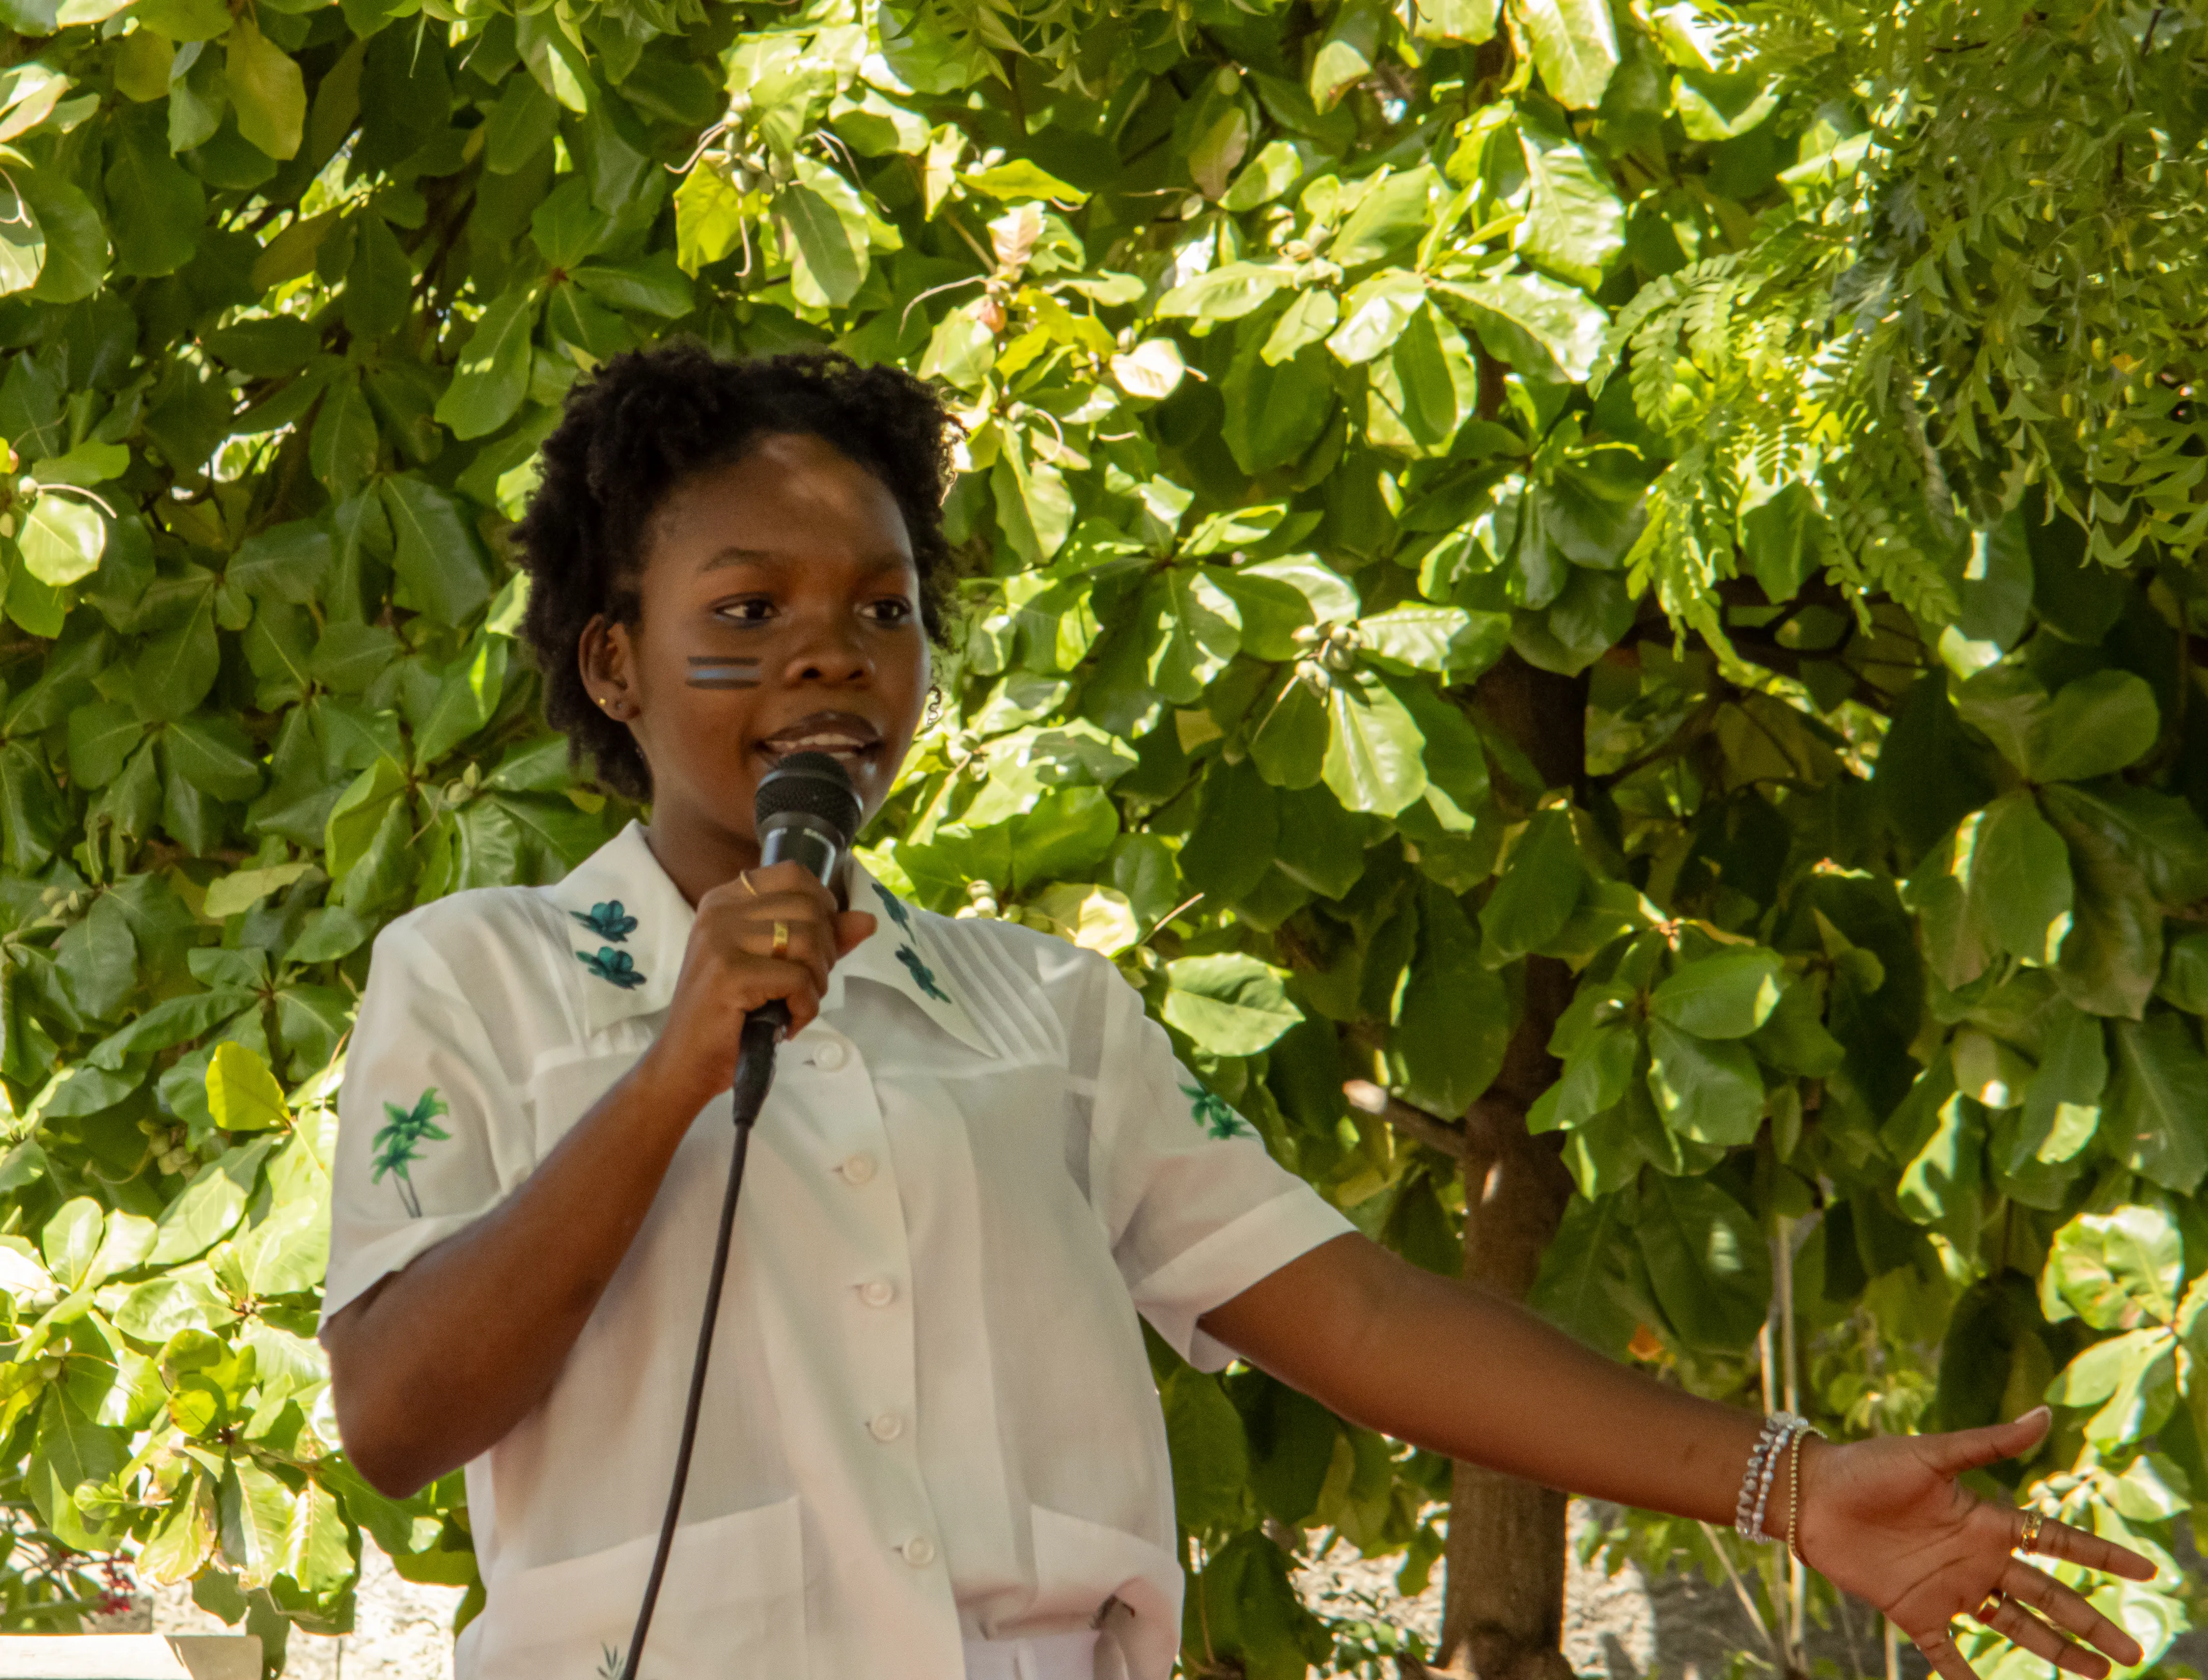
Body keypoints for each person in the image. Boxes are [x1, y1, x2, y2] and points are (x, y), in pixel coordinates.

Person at [318, 344, 2151, 1680]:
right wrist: (669, 1076)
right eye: (751, 608)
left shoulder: (1040, 1005)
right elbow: (398, 1417)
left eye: (884, 609)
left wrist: (1788, 1482)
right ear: (615, 659)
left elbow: (1351, 1309)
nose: (829, 655)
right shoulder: (476, 974)